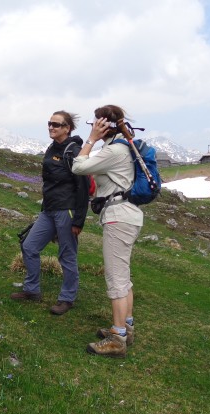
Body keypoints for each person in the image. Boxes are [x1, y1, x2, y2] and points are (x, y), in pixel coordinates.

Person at [71, 105, 143, 358]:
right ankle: (127, 327)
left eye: (95, 124)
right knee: (123, 277)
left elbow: (78, 167)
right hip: (126, 216)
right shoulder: (122, 147)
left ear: (104, 125)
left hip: (118, 218)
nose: (92, 128)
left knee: (116, 280)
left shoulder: (115, 150)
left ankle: (117, 338)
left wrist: (90, 141)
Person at [10, 111, 90, 315]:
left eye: (56, 124)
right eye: (49, 124)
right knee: (29, 246)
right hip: (49, 210)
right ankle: (32, 290)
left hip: (67, 211)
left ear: (67, 128)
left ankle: (67, 298)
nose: (51, 127)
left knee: (67, 256)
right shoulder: (52, 148)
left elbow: (82, 187)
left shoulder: (74, 152)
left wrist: (78, 220)